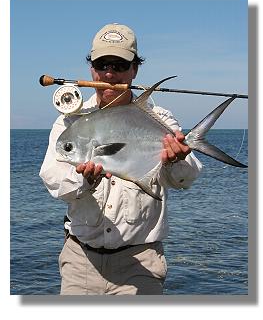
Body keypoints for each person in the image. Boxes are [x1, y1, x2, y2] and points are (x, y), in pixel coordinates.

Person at [39, 23, 202, 295]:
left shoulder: (160, 118)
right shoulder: (70, 121)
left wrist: (176, 161)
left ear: (134, 69)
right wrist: (83, 180)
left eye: (119, 65)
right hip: (81, 262)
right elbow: (54, 181)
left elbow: (185, 179)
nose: (109, 74)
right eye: (102, 64)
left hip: (140, 265)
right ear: (92, 69)